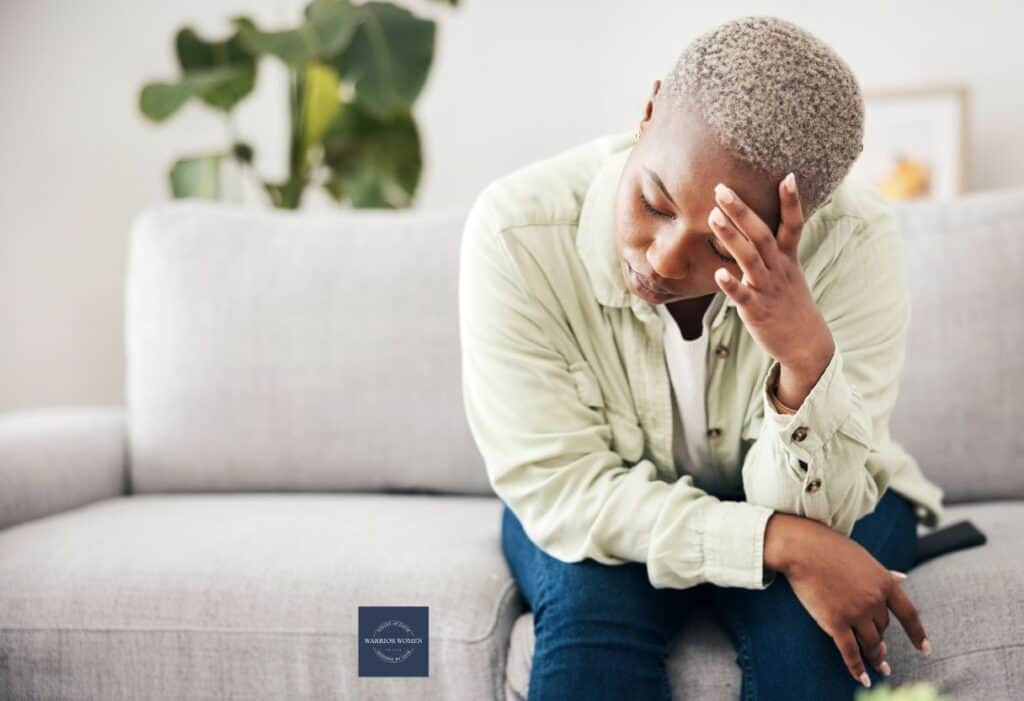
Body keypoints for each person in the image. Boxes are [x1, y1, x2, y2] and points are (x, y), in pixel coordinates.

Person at [458, 15, 945, 701]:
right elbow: (563, 488)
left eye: (723, 244)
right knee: (592, 613)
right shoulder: (515, 234)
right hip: (603, 492)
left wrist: (803, 358)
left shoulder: (854, 245)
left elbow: (824, 513)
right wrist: (777, 542)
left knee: (810, 635)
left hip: (827, 498)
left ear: (799, 219)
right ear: (648, 112)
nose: (660, 258)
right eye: (652, 201)